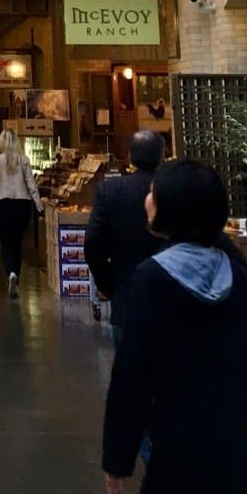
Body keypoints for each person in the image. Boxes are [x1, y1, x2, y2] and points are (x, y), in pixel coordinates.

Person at [102, 160, 247, 494]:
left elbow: (133, 378)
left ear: (171, 206)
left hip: (184, 464)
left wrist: (117, 460)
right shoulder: (237, 272)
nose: (147, 198)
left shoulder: (152, 279)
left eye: (153, 191)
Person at [84, 130, 165, 340]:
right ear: (162, 156)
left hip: (126, 293)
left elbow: (93, 242)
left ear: (130, 156)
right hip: (172, 296)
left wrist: (108, 283)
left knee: (128, 365)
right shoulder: (176, 189)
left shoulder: (110, 190)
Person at [0, 128, 43, 295]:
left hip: (4, 205)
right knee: (17, 242)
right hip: (23, 206)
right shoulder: (24, 160)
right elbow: (32, 185)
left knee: (6, 242)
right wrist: (40, 208)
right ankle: (16, 271)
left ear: (0, 142)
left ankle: (11, 272)